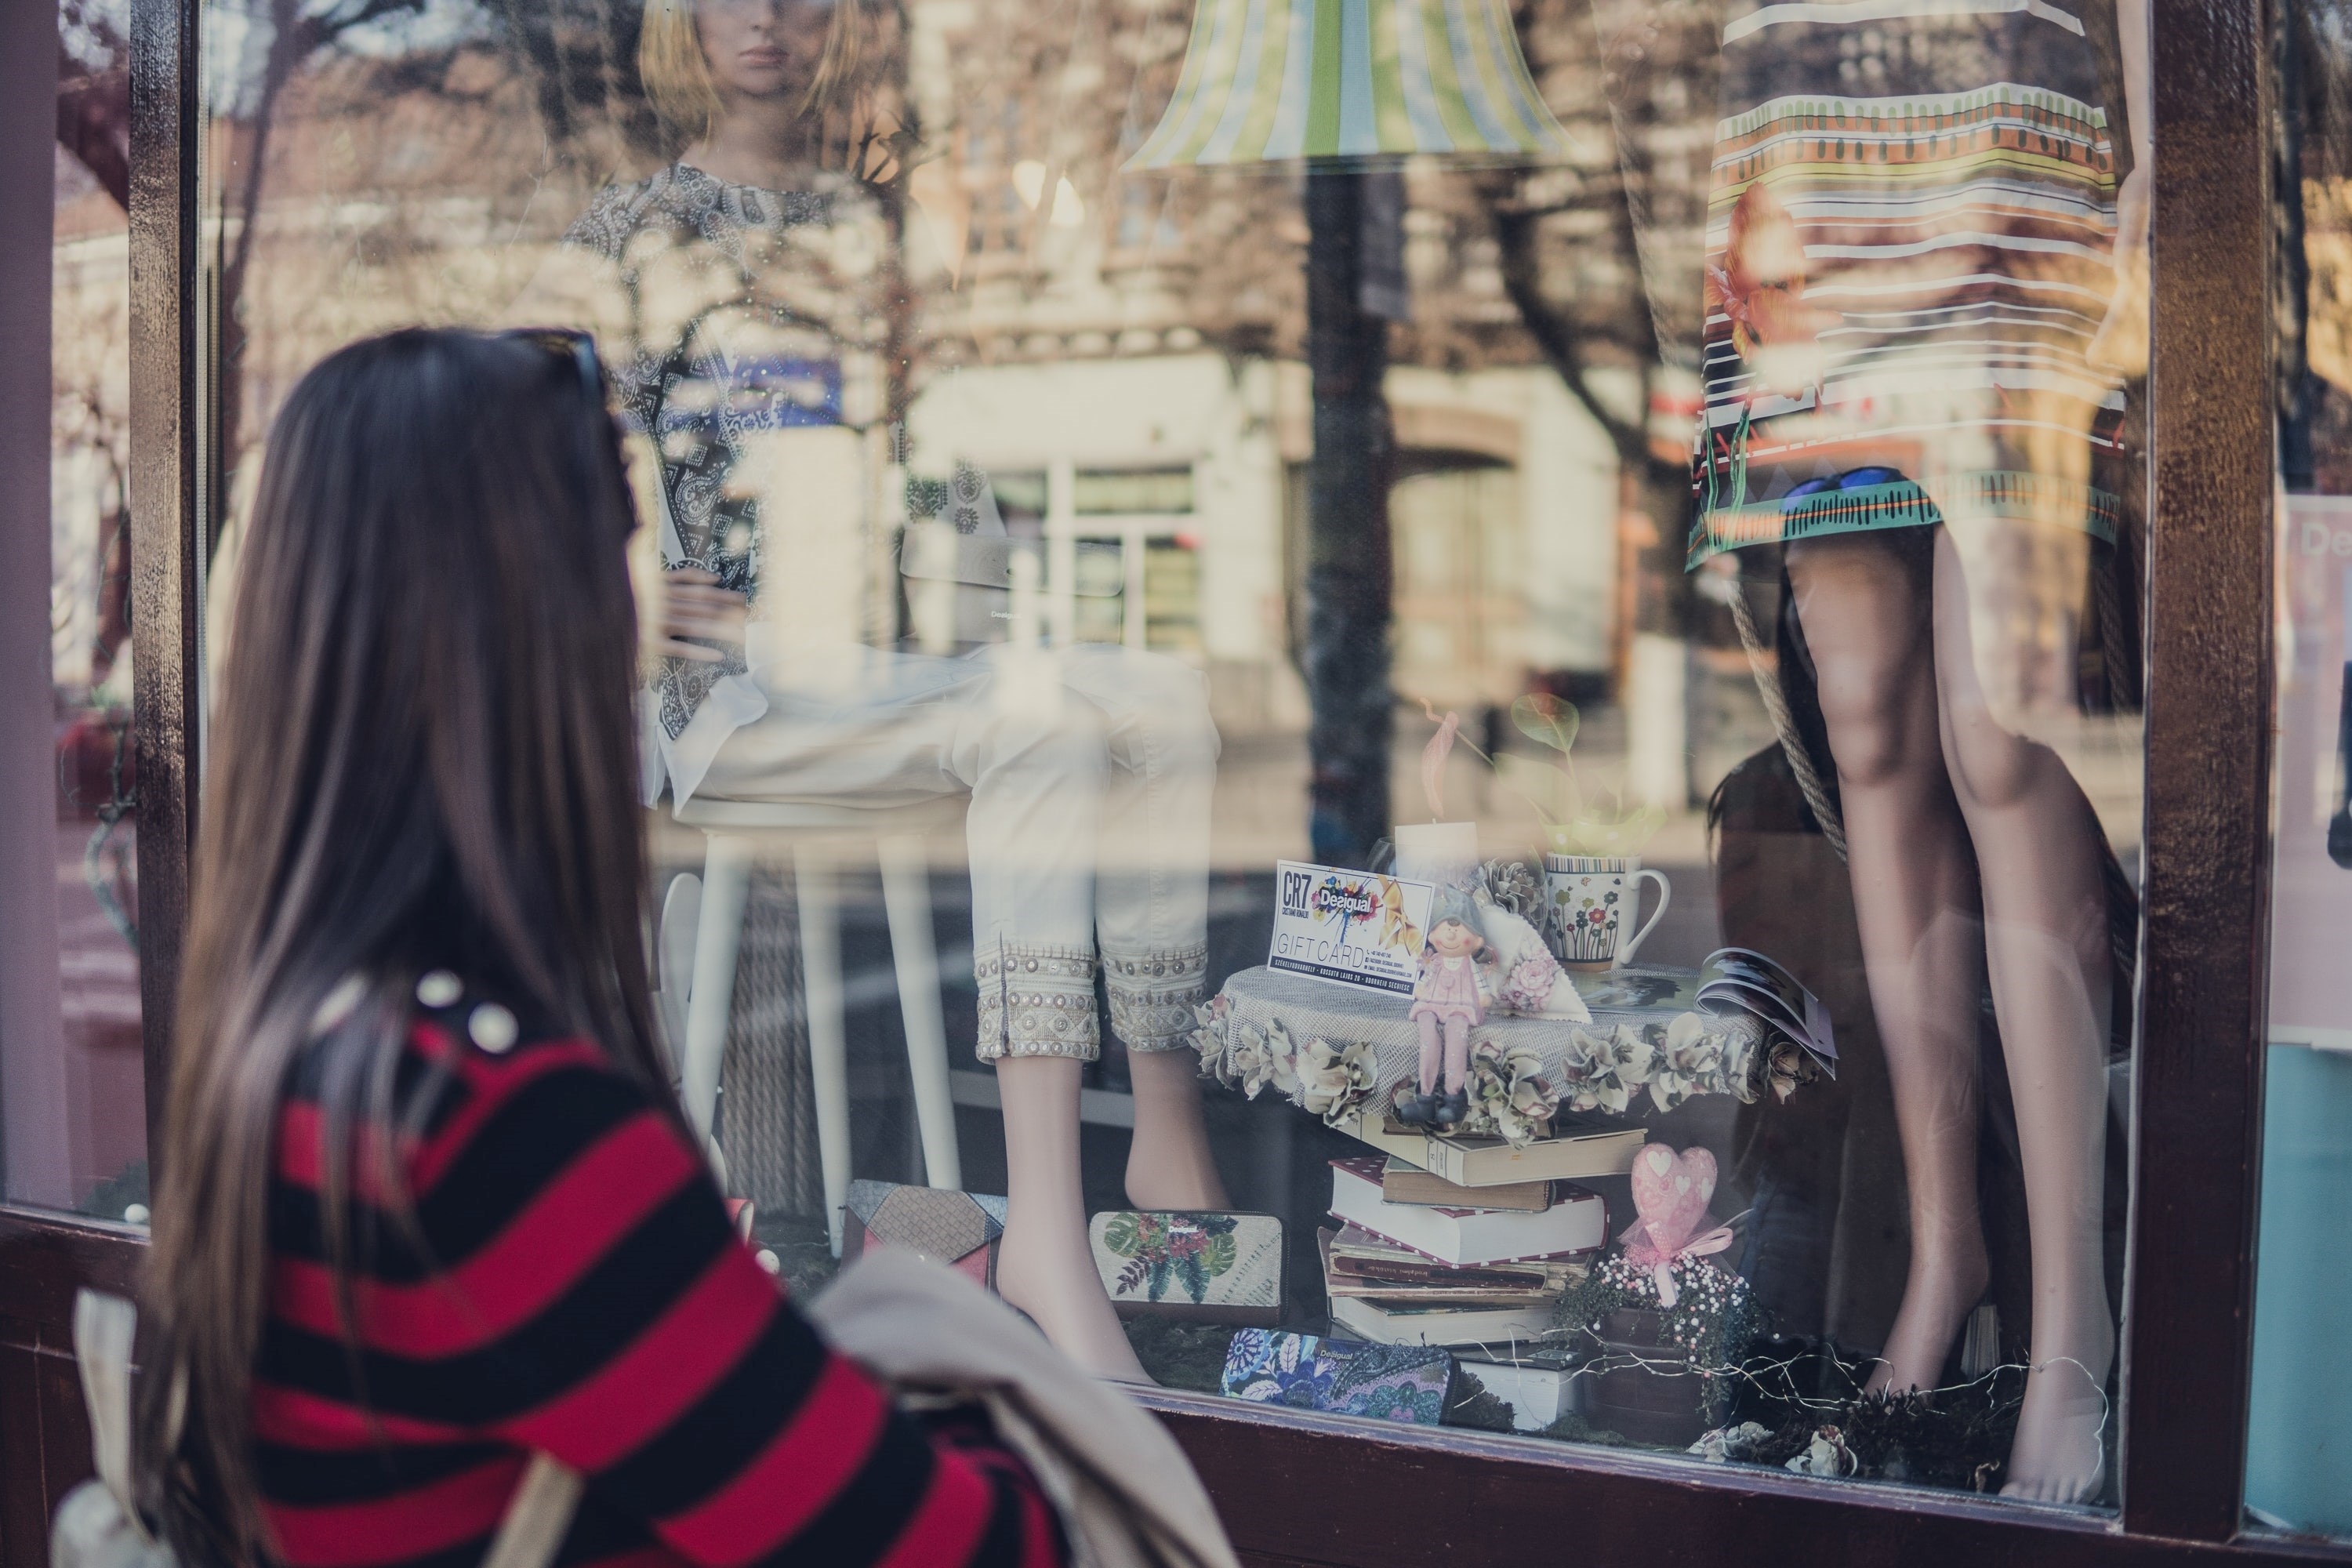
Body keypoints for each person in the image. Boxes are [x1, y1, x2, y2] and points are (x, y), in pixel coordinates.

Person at [136, 329, 1071, 1568]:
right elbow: (980, 1551)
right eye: (625, 554)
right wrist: (952, 1340)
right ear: (536, 625)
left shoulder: (294, 1041)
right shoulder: (502, 1130)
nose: (650, 613)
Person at [526, 0, 1228, 1382]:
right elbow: (497, 446)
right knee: (1041, 729)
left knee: (1165, 693)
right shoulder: (626, 231)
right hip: (738, 703)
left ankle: (1165, 1110)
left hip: (895, 653)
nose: (768, 24)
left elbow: (952, 461)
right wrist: (605, 593)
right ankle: (1045, 1228)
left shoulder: (878, 234)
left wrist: (963, 536)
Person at [1687, 0, 2151, 1504]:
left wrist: (2149, 142)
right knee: (1869, 715)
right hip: (1807, 123)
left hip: (2018, 100)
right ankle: (1944, 1262)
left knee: (1996, 725)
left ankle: (2072, 1325)